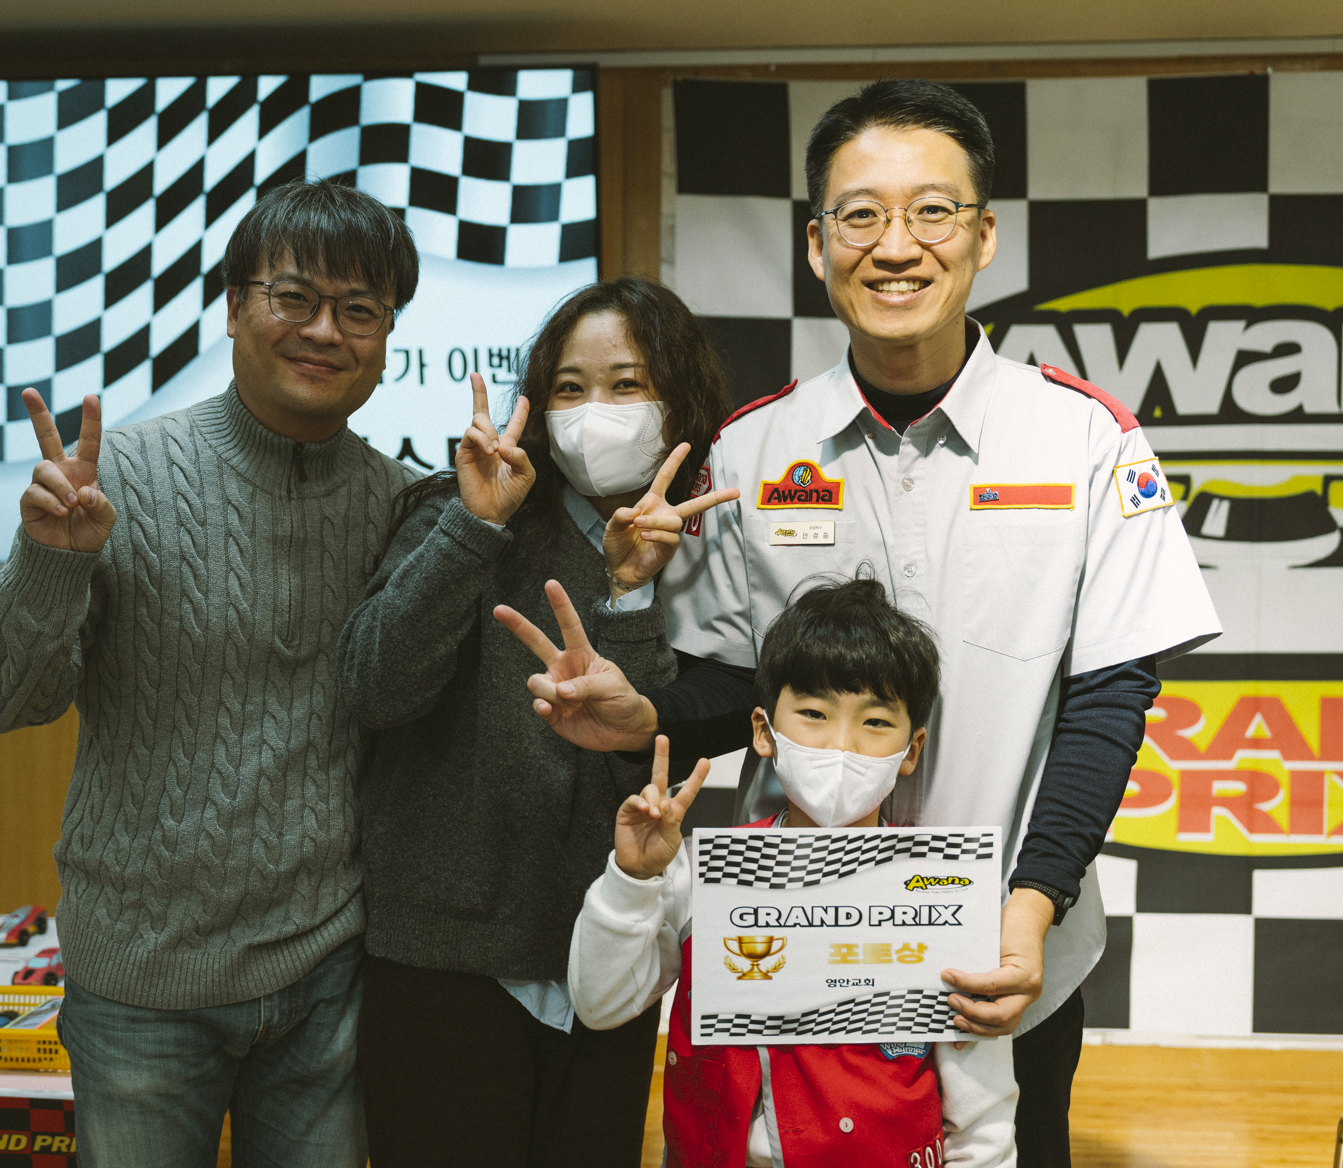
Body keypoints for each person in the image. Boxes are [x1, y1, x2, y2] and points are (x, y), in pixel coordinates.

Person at [501, 80, 1220, 1167]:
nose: (895, 245)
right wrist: (646, 714)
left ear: (984, 235)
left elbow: (1109, 700)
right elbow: (731, 689)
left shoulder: (1083, 441)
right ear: (815, 243)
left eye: (933, 211)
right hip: (793, 945)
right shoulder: (751, 451)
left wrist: (1030, 906)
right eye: (860, 215)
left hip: (1002, 947)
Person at [0, 178, 420, 1168]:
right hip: (142, 987)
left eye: (359, 309)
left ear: (386, 339)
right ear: (235, 306)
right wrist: (50, 562)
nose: (323, 330)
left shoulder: (398, 503)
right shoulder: (117, 477)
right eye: (294, 297)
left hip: (326, 978)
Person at [336, 277, 740, 1168]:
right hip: (443, 960)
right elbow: (373, 688)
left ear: (680, 399)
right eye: (569, 387)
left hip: (601, 958)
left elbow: (633, 751)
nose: (596, 411)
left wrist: (629, 594)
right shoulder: (464, 505)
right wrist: (472, 527)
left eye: (627, 384)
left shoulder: (705, 546)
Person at [567, 576, 1016, 1168]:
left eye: (875, 722)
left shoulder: (943, 892)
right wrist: (632, 879)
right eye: (813, 713)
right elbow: (600, 1003)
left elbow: (983, 1118)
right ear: (764, 731)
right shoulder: (705, 875)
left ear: (911, 749)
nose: (841, 745)